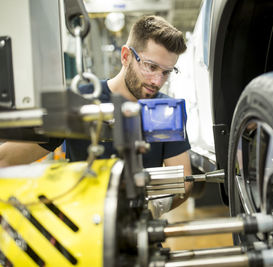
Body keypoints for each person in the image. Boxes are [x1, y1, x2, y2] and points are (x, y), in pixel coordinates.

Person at [0, 15, 192, 216]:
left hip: (141, 235)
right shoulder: (80, 100)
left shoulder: (166, 110)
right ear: (125, 56)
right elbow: (6, 159)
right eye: (151, 67)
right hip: (81, 229)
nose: (157, 81)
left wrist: (150, 211)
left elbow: (183, 182)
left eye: (166, 72)